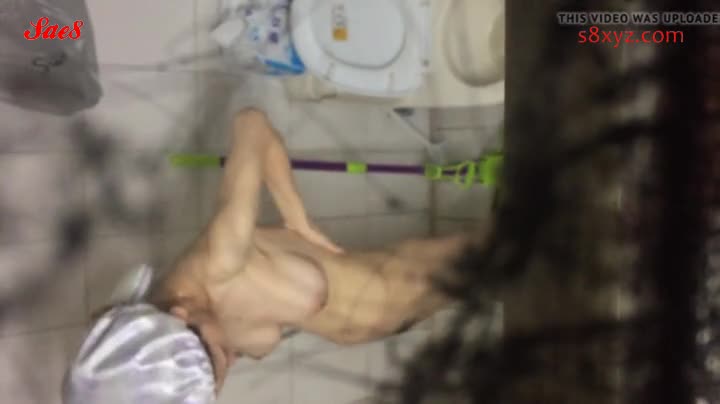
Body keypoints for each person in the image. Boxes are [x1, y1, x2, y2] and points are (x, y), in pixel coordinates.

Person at [63, 108, 487, 403]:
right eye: (217, 378)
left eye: (220, 357)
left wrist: (297, 218)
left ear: (181, 315)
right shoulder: (179, 329)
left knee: (511, 248)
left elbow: (251, 125)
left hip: (405, 278)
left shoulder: (221, 260)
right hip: (391, 317)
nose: (230, 361)